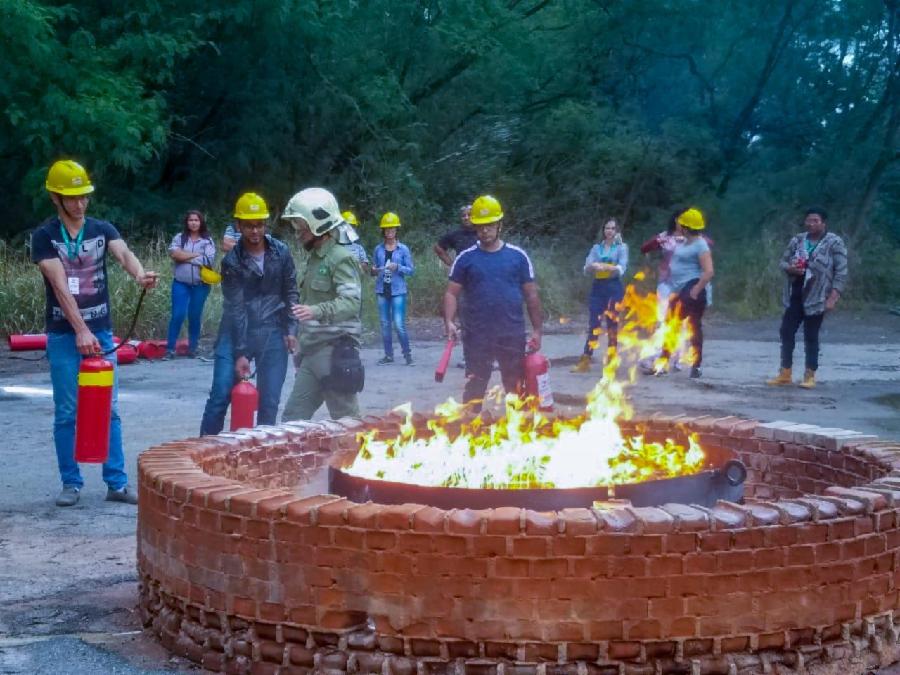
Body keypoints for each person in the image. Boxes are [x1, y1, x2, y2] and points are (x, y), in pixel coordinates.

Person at [31, 160, 158, 507]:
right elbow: (59, 285)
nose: (80, 204)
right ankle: (71, 483)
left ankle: (116, 483)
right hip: (64, 335)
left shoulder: (102, 229)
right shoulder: (45, 237)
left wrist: (139, 274)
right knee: (68, 411)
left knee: (110, 409)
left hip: (101, 331)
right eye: (71, 198)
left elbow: (124, 254)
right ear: (56, 198)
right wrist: (80, 330)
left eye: (84, 196)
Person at [199, 193, 298, 435]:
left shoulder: (281, 252)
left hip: (273, 329)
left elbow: (291, 291)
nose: (255, 231)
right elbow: (236, 308)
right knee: (220, 397)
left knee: (269, 401)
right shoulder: (232, 261)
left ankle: (259, 459)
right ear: (238, 226)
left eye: (259, 225)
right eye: (249, 225)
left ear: (265, 224)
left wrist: (291, 330)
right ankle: (201, 454)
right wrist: (241, 352)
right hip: (234, 332)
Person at [443, 195, 543, 409]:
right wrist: (449, 321)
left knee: (515, 387)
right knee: (475, 388)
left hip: (511, 333)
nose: (484, 231)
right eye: (480, 227)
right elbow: (451, 293)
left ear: (499, 225)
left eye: (489, 226)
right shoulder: (465, 258)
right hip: (477, 335)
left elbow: (531, 296)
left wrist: (537, 330)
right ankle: (468, 433)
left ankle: (518, 434)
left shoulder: (518, 257)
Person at [282, 188, 364, 420]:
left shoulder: (341, 258)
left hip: (334, 352)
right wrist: (300, 349)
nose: (297, 232)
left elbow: (350, 303)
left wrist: (315, 311)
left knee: (348, 424)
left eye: (300, 225)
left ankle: (361, 457)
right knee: (292, 421)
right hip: (312, 352)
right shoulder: (316, 258)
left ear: (318, 224)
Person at [766, 207, 848, 389]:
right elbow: (783, 261)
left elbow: (841, 271)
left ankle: (810, 374)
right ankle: (785, 372)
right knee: (786, 331)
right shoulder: (798, 240)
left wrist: (833, 297)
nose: (811, 224)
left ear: (823, 223)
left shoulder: (834, 242)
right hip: (795, 292)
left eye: (815, 221)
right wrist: (790, 268)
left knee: (811, 335)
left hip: (818, 295)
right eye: (808, 220)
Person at [657, 207, 714, 379]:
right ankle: (691, 365)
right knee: (685, 325)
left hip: (692, 289)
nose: (679, 226)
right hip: (681, 289)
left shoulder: (700, 244)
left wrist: (695, 291)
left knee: (679, 323)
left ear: (687, 227)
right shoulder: (685, 242)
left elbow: (709, 271)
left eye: (682, 224)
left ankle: (668, 361)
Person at [571, 218, 628, 373]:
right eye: (606, 228)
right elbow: (586, 268)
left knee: (612, 324)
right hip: (598, 287)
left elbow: (622, 268)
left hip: (614, 287)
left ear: (617, 231)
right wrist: (592, 266)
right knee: (594, 324)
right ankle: (585, 360)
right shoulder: (597, 248)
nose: (609, 231)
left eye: (612, 228)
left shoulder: (622, 248)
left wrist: (606, 267)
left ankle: (611, 359)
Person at [164, 210, 216, 359]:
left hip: (200, 284)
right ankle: (170, 349)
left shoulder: (208, 241)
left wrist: (184, 256)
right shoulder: (179, 238)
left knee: (194, 315)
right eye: (191, 220)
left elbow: (208, 261)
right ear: (187, 222)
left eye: (196, 220)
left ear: (201, 222)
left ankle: (193, 348)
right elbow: (174, 254)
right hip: (181, 283)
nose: (193, 222)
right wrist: (195, 255)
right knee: (178, 315)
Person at [434, 205, 478, 368]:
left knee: (485, 319)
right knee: (466, 319)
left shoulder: (482, 233)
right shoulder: (456, 235)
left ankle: (487, 356)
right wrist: (452, 264)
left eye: (469, 215)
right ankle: (468, 357)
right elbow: (438, 247)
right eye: (463, 216)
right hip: (463, 283)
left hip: (482, 282)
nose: (466, 218)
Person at [373, 212, 415, 365]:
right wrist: (374, 270)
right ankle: (388, 355)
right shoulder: (378, 249)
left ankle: (407, 355)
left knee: (398, 324)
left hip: (398, 290)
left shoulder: (403, 249)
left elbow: (411, 270)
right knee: (385, 324)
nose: (389, 232)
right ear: (383, 231)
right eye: (387, 229)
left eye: (392, 229)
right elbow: (374, 268)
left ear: (397, 230)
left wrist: (398, 266)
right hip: (382, 290)